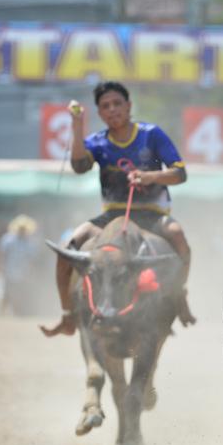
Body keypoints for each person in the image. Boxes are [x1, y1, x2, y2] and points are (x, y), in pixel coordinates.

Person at [41, 81, 195, 336]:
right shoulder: (97, 142)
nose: (112, 110)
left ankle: (179, 295)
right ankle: (68, 315)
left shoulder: (151, 134)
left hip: (152, 214)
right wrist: (77, 125)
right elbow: (80, 166)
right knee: (69, 247)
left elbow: (180, 174)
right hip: (113, 215)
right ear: (99, 113)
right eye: (105, 106)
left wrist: (150, 177)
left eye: (117, 104)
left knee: (179, 238)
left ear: (128, 106)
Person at [0, 214, 40, 316]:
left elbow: (32, 260)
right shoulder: (7, 239)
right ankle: (2, 313)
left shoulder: (30, 242)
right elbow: (1, 254)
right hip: (9, 270)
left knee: (20, 294)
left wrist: (31, 272)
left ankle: (18, 313)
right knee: (7, 293)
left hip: (23, 272)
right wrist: (0, 267)